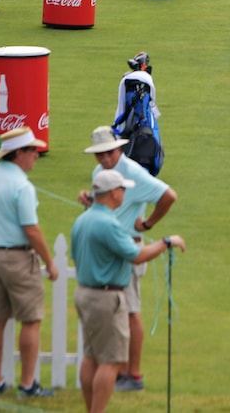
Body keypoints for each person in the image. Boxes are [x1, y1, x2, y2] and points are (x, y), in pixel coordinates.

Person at [71, 169, 184, 413]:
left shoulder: (83, 219)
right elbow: (137, 256)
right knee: (110, 362)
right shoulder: (109, 224)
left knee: (90, 357)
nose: (125, 193)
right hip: (107, 297)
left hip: (84, 293)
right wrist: (166, 242)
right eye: (122, 189)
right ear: (113, 193)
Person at [78, 126, 178, 393]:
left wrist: (147, 224)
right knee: (121, 310)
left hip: (128, 249)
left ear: (118, 148)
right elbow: (104, 208)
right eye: (99, 154)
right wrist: (89, 202)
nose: (104, 158)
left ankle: (132, 375)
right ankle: (120, 371)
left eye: (109, 152)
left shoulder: (133, 173)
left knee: (131, 310)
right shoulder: (98, 174)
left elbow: (169, 196)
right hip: (108, 249)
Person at [0, 126, 58, 398]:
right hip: (16, 256)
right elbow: (32, 229)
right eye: (32, 151)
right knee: (31, 319)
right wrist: (49, 262)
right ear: (19, 154)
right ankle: (27, 384)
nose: (36, 156)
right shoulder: (22, 185)